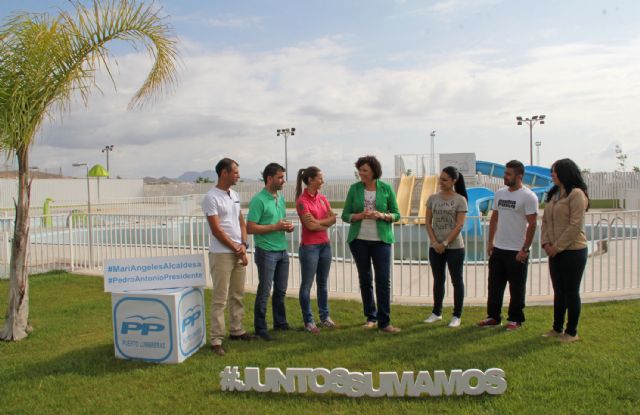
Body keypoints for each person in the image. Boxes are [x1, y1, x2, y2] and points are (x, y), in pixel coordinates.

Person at [342, 155, 401, 333]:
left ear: (374, 171)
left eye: (365, 170)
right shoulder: (354, 189)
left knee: (383, 280)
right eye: (360, 170)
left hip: (381, 241)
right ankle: (371, 317)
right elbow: (345, 215)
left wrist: (382, 215)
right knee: (365, 279)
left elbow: (397, 214)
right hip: (359, 240)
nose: (361, 173)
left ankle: (385, 322)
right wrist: (359, 216)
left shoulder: (386, 188)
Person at [478, 160, 538, 331]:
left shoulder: (528, 196)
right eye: (504, 173)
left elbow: (532, 224)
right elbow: (494, 218)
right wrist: (491, 242)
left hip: (517, 250)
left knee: (516, 288)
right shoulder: (500, 193)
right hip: (499, 248)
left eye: (508, 174)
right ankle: (493, 317)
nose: (505, 176)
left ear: (519, 176)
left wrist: (524, 249)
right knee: (494, 285)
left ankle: (515, 319)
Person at [202, 158, 253, 356]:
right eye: (235, 172)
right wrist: (236, 247)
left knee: (238, 294)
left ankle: (237, 330)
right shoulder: (211, 197)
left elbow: (241, 222)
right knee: (220, 298)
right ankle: (216, 338)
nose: (238, 175)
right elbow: (216, 230)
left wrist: (243, 246)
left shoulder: (234, 194)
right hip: (221, 254)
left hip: (237, 251)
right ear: (224, 173)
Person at [541, 158, 589, 343]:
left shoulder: (576, 194)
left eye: (555, 171)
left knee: (571, 291)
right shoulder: (554, 194)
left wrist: (557, 247)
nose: (552, 174)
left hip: (573, 251)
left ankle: (571, 332)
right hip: (554, 250)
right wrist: (546, 243)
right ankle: (557, 327)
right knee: (559, 291)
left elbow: (575, 225)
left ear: (565, 173)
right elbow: (545, 221)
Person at [247, 162, 294, 341]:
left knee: (281, 291)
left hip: (282, 250)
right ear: (269, 178)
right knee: (265, 291)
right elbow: (250, 227)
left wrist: (286, 227)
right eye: (280, 177)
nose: (283, 181)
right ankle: (260, 328)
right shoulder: (258, 200)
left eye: (283, 177)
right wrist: (275, 226)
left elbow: (277, 222)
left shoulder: (279, 198)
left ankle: (280, 323)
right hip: (266, 251)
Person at [423, 166, 468, 328]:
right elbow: (427, 222)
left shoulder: (460, 200)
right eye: (440, 178)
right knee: (438, 280)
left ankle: (457, 315)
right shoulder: (433, 198)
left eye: (444, 179)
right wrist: (435, 242)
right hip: (435, 247)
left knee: (457, 280)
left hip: (455, 247)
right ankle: (437, 312)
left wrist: (445, 243)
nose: (440, 182)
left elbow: (459, 224)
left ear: (453, 181)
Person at [295, 166, 338, 334]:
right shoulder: (301, 202)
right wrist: (323, 222)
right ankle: (308, 321)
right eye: (320, 178)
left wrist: (318, 222)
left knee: (323, 283)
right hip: (310, 248)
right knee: (307, 285)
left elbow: (333, 218)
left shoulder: (322, 198)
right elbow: (310, 226)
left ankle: (324, 317)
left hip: (325, 245)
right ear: (311, 180)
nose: (323, 180)